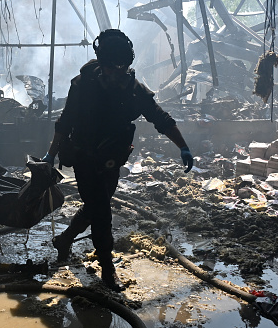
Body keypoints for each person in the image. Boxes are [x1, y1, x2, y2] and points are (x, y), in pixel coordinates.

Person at [42, 29, 194, 291]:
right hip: (84, 156)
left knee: (95, 206)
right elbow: (64, 122)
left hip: (112, 159)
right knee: (101, 211)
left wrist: (183, 146)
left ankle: (65, 239)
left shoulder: (134, 91)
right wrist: (51, 154)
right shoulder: (82, 85)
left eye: (122, 68)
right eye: (111, 68)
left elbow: (161, 119)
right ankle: (107, 269)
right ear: (101, 63)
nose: (116, 73)